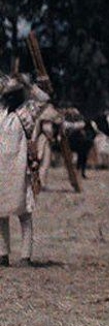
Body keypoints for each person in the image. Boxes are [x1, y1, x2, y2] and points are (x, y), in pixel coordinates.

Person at [0, 74, 52, 267]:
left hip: (20, 168)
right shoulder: (1, 112)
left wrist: (29, 84)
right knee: (1, 213)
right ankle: (2, 254)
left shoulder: (27, 112)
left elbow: (45, 99)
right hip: (2, 170)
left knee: (25, 213)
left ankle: (25, 256)